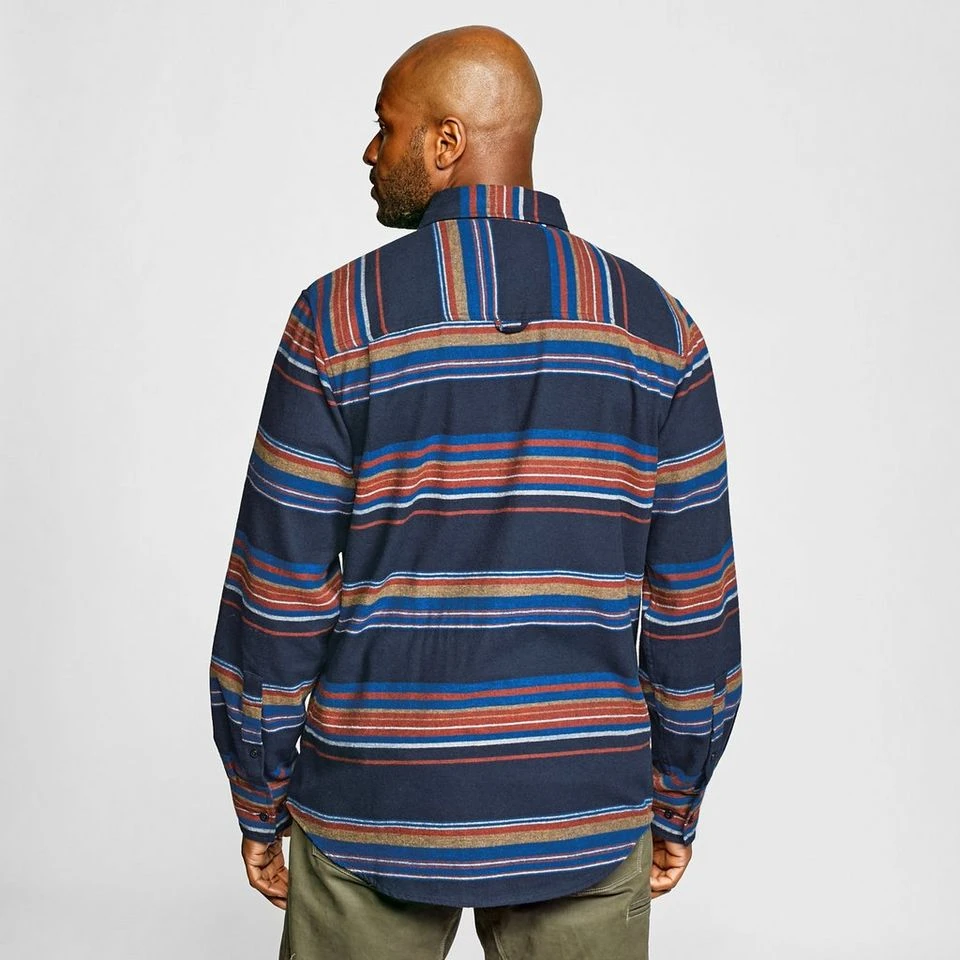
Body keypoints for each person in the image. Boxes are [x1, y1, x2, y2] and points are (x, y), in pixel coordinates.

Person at [208, 23, 743, 960]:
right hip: (581, 807)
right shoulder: (660, 330)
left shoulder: (338, 319)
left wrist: (260, 793)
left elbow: (279, 590)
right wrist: (675, 796)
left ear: (446, 141)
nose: (370, 150)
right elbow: (693, 603)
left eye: (386, 126)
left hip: (375, 800)